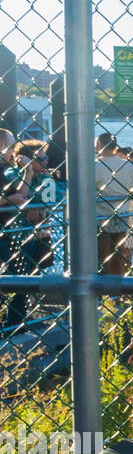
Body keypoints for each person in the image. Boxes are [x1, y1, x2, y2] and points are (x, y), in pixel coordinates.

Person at [0, 128, 47, 330]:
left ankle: (14, 322)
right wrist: (8, 199)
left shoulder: (3, 171)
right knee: (17, 274)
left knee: (19, 273)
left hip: (7, 230)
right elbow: (16, 198)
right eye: (11, 145)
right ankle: (13, 322)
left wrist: (27, 172)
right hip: (5, 231)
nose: (14, 150)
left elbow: (21, 195)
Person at [94, 132, 133, 276]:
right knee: (118, 257)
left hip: (101, 218)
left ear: (100, 144)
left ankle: (101, 291)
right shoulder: (128, 166)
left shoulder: (94, 167)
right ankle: (118, 291)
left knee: (100, 257)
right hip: (123, 216)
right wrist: (125, 194)